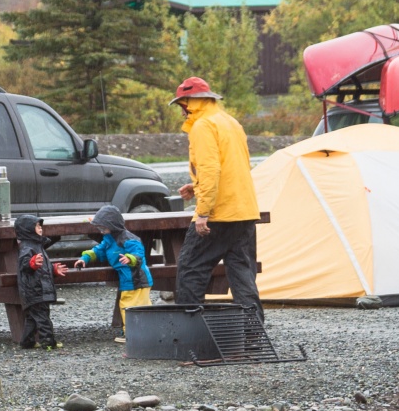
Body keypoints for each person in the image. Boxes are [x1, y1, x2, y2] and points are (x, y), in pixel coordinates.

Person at [170, 76, 264, 324]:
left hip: (219, 213)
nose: (181, 109)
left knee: (191, 269)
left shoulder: (203, 125)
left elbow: (211, 169)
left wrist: (203, 212)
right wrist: (196, 186)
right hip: (244, 210)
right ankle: (253, 336)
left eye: (181, 104)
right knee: (242, 273)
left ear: (190, 102)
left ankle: (192, 334)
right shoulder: (230, 122)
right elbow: (232, 167)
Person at [74, 204, 152, 344]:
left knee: (133, 305)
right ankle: (135, 331)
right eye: (100, 228)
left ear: (113, 225)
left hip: (136, 279)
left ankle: (134, 333)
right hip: (127, 279)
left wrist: (131, 258)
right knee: (129, 304)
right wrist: (84, 258)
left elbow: (138, 252)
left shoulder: (127, 238)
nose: (101, 230)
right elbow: (98, 250)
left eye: (103, 227)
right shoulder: (109, 239)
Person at [15, 214, 66, 349]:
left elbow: (41, 267)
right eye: (37, 226)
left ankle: (27, 341)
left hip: (37, 289)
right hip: (34, 290)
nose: (40, 228)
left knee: (33, 318)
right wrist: (31, 264)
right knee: (43, 318)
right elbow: (24, 265)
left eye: (40, 226)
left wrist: (53, 270)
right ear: (28, 229)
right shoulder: (27, 247)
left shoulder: (37, 246)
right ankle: (48, 342)